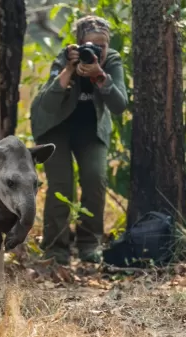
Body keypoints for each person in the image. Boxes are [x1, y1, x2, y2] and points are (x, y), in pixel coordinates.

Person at [29, 15, 128, 265]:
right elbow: (49, 105)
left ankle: (89, 243)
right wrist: (69, 70)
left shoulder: (112, 61)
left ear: (108, 45)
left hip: (90, 128)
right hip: (55, 126)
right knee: (62, 184)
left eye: (102, 46)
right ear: (79, 44)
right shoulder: (67, 57)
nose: (96, 51)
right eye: (90, 46)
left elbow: (119, 105)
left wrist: (100, 76)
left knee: (95, 178)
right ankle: (55, 249)